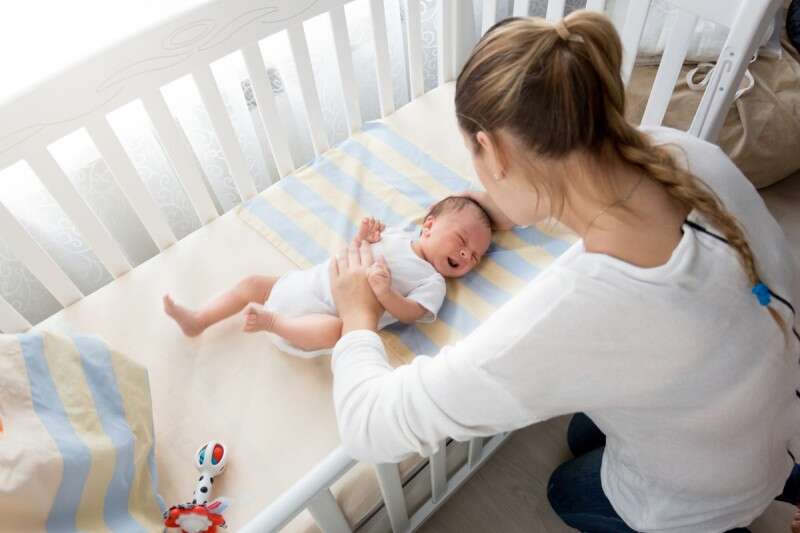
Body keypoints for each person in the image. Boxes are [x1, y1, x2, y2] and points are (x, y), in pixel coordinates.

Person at [327, 10, 800, 533]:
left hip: (710, 491)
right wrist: (488, 204)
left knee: (564, 490)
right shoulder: (682, 152)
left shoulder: (574, 314)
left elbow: (368, 426)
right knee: (581, 431)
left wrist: (356, 314)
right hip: (770, 405)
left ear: (491, 149)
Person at [163, 196, 492, 356]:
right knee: (252, 284)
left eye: (474, 257)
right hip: (307, 283)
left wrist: (386, 293)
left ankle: (272, 322)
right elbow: (353, 255)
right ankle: (200, 319)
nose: (466, 255)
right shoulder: (398, 234)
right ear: (430, 225)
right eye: (462, 241)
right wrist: (362, 236)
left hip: (319, 320)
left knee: (338, 332)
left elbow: (412, 314)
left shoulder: (433, 282)